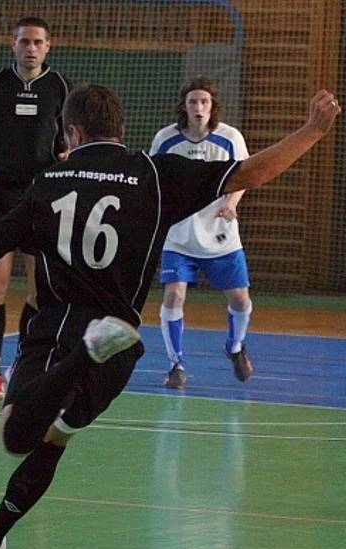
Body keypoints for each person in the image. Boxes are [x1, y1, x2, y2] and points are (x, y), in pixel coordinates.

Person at [0, 84, 340, 549]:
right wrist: (312, 131)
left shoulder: (51, 180)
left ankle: (82, 355)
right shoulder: (154, 173)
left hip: (56, 328)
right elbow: (250, 172)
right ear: (120, 129)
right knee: (56, 437)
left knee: (17, 437)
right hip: (120, 338)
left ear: (73, 131)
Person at [0, 16, 71, 403]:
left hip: (42, 197)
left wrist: (67, 158)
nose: (31, 48)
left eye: (38, 42)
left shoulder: (61, 88)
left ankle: (22, 362)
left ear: (48, 46)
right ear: (13, 44)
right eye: (24, 42)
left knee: (40, 290)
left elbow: (68, 139)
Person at [151, 76, 253, 389]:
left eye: (204, 101)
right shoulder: (166, 139)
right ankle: (176, 365)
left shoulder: (229, 137)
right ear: (184, 106)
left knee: (239, 298)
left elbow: (245, 175)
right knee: (173, 293)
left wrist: (232, 203)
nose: (199, 107)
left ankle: (235, 347)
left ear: (212, 107)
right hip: (178, 234)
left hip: (220, 235)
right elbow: (154, 179)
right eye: (193, 101)